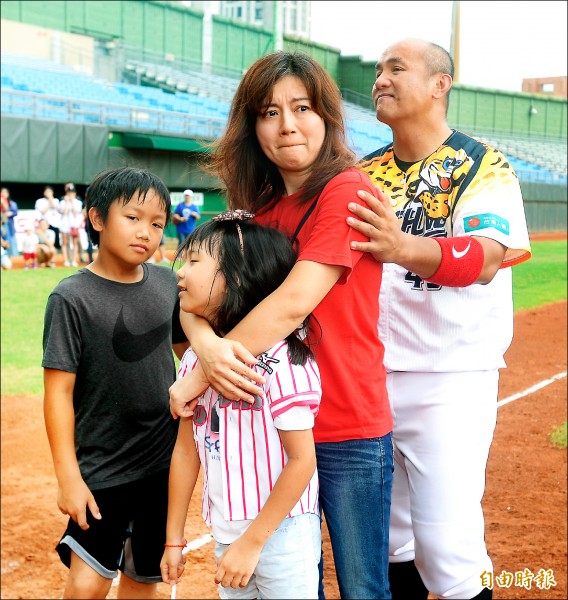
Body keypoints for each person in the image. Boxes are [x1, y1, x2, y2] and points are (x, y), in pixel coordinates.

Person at [169, 50, 394, 599]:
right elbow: (194, 297)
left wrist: (199, 373)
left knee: (363, 586)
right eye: (269, 112)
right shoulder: (255, 208)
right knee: (295, 583)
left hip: (345, 422)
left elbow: (294, 302)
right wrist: (205, 346)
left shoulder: (346, 189)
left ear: (326, 118)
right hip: (270, 429)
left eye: (302, 108)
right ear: (252, 127)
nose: (287, 124)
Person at [345, 38, 532, 600]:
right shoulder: (363, 172)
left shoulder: (483, 164)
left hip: (450, 374)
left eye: (395, 68)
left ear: (439, 84)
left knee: (447, 550)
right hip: (373, 373)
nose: (380, 78)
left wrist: (403, 247)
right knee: (393, 539)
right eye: (377, 69)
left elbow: (486, 258)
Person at [42, 166, 189, 599]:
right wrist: (69, 477)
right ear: (97, 218)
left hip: (163, 464)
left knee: (143, 582)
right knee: (87, 586)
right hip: (102, 468)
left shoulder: (166, 283)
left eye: (157, 224)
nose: (146, 232)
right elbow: (58, 394)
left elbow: (188, 349)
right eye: (133, 217)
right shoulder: (71, 297)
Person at [161, 211, 322, 598]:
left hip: (281, 534)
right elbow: (186, 452)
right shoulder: (194, 362)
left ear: (236, 277)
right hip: (227, 532)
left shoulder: (284, 361)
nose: (180, 273)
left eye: (195, 261)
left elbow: (303, 461)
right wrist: (173, 538)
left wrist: (252, 544)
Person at [58, 182, 83, 267]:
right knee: (65, 242)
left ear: (75, 193)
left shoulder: (78, 202)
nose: (70, 194)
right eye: (69, 193)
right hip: (64, 224)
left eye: (72, 193)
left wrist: (72, 202)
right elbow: (63, 212)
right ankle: (66, 260)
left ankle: (73, 260)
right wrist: (67, 202)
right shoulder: (62, 202)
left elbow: (76, 212)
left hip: (74, 225)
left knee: (74, 242)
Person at [35, 185, 62, 252]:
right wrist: (48, 203)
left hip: (55, 224)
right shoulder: (40, 201)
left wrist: (50, 199)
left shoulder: (56, 200)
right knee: (43, 241)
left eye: (50, 192)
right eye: (47, 192)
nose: (48, 193)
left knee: (53, 243)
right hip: (44, 224)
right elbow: (43, 211)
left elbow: (57, 208)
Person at [1, 187, 19, 257]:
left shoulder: (12, 203)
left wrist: (8, 213)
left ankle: (15, 258)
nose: (3, 194)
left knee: (12, 241)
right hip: (2, 226)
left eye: (5, 192)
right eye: (2, 192)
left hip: (9, 226)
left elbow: (14, 212)